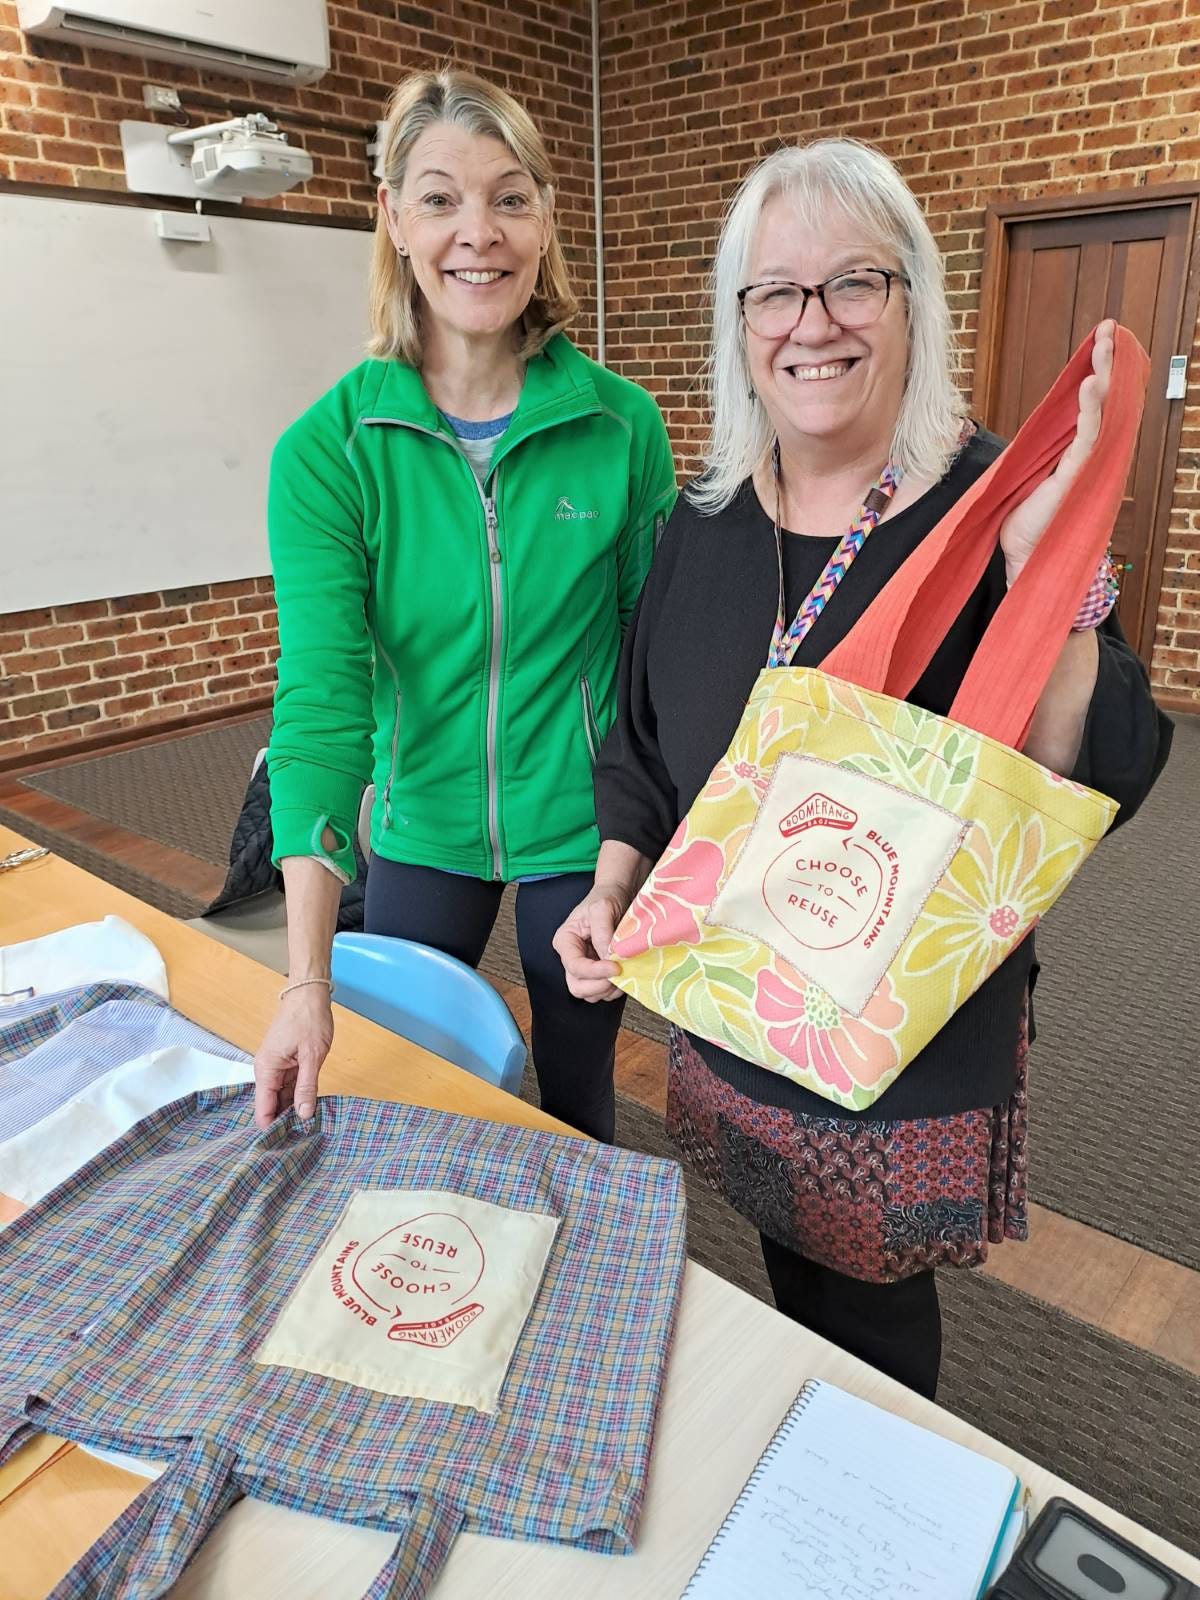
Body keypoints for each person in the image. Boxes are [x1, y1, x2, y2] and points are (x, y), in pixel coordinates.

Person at [554, 138, 1171, 1399]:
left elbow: (1088, 777)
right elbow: (643, 748)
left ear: (913, 303)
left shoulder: (993, 502)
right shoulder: (705, 520)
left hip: (897, 1029)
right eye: (776, 292)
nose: (813, 324)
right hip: (737, 1002)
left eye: (855, 284)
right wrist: (613, 887)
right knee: (788, 1261)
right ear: (741, 324)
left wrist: (1048, 588)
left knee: (876, 1323)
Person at [253, 68, 676, 1140]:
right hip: (419, 819)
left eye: (509, 196)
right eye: (440, 198)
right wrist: (305, 978)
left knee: (579, 1089)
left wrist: (648, 851)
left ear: (542, 222)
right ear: (393, 219)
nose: (476, 233)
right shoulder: (328, 452)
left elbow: (651, 666)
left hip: (582, 821)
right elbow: (321, 702)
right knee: (414, 1081)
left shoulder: (621, 428)